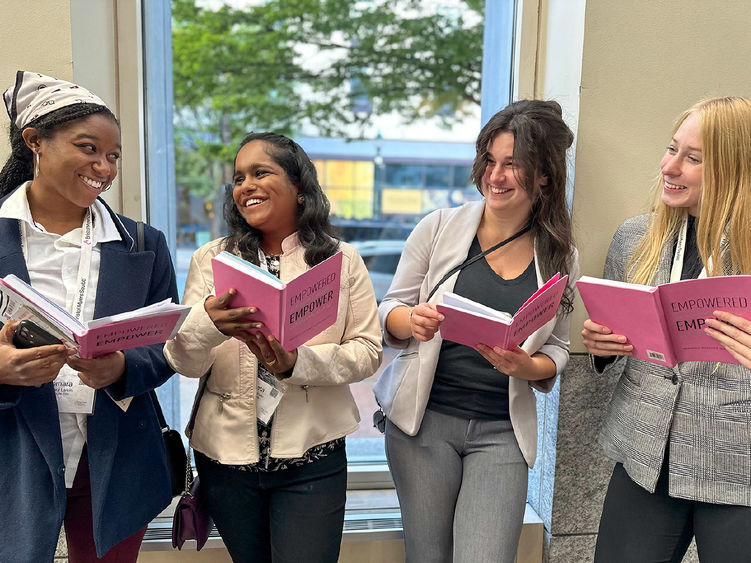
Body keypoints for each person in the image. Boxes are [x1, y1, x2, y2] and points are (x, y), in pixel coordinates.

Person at [374, 99, 579, 563]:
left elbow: (560, 347)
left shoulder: (560, 256)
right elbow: (389, 311)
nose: (496, 175)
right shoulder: (439, 228)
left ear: (544, 176)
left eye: (514, 165)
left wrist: (529, 365)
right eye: (490, 160)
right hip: (423, 427)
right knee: (428, 557)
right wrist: (413, 320)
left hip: (501, 432)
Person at [164, 132, 382, 562]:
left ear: (300, 188)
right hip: (227, 463)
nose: (246, 185)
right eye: (239, 177)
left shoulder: (341, 261)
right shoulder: (212, 260)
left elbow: (368, 351)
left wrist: (298, 362)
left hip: (313, 457)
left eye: (261, 172)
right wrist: (210, 324)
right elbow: (182, 360)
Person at [0, 71, 179, 561]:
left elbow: (166, 347)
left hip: (114, 455)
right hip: (14, 451)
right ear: (34, 142)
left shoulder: (143, 244)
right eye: (88, 148)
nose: (103, 166)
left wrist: (122, 368)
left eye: (114, 155)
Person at [582, 96, 751, 561]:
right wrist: (603, 345)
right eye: (672, 149)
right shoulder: (635, 237)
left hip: (739, 466)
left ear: (735, 171)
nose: (669, 167)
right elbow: (619, 334)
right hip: (646, 457)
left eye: (692, 159)